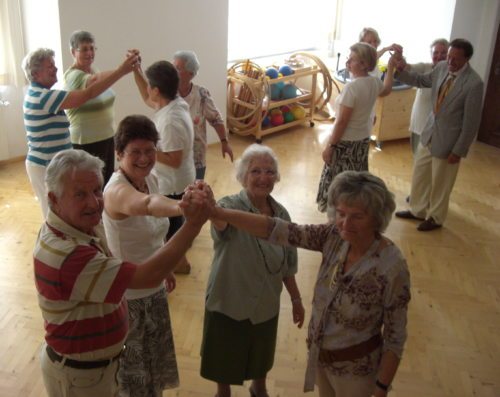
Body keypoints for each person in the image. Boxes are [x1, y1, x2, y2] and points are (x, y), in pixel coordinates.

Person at [205, 170, 411, 397]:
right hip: (321, 360)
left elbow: (395, 336)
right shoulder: (334, 236)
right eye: (341, 213)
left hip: (358, 374)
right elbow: (278, 230)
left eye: (357, 216)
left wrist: (381, 389)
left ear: (377, 217)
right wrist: (217, 212)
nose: (345, 223)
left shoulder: (392, 267)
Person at [34, 148, 209, 397]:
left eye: (96, 190)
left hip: (95, 370)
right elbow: (144, 277)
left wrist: (163, 264)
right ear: (53, 199)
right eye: (80, 194)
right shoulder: (68, 255)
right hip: (81, 379)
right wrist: (193, 224)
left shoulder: (72, 226)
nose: (94, 202)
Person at [200, 144, 305, 397]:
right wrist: (212, 208)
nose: (263, 178)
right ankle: (222, 392)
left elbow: (288, 263)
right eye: (255, 171)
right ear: (243, 176)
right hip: (229, 299)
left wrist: (296, 298)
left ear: (277, 177)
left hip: (265, 301)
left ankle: (259, 388)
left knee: (261, 349)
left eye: (270, 172)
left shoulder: (282, 214)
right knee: (223, 354)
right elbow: (220, 223)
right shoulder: (229, 206)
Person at [102, 115, 183, 396]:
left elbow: (154, 233)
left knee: (153, 368)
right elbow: (147, 205)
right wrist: (185, 207)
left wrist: (166, 267)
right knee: (133, 378)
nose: (144, 158)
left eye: (150, 150)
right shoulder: (114, 191)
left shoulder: (152, 178)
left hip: (155, 288)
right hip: (129, 298)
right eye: (135, 152)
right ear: (119, 153)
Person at [22, 47, 138, 218]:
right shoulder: (43, 97)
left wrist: (122, 70)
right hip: (43, 165)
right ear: (36, 73)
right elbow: (87, 94)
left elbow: (92, 84)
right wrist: (122, 70)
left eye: (54, 65)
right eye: (50, 66)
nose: (55, 69)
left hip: (48, 163)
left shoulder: (42, 94)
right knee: (53, 213)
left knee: (59, 210)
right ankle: (56, 243)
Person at [394, 38, 484, 231]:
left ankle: (435, 217)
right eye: (449, 56)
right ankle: (417, 210)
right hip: (429, 133)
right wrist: (401, 71)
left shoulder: (474, 83)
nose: (450, 62)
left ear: (467, 59)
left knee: (441, 183)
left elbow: (471, 123)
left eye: (456, 59)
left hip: (450, 142)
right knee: (420, 174)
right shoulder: (442, 67)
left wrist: (459, 150)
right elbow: (421, 81)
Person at [132, 57, 195, 273]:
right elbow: (147, 98)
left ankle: (179, 264)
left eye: (149, 86)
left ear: (157, 90)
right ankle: (179, 262)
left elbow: (174, 160)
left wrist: (147, 151)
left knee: (171, 232)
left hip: (174, 184)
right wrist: (136, 71)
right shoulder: (173, 102)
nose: (147, 89)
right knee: (173, 230)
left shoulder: (170, 122)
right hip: (176, 181)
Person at [316, 43, 395, 212]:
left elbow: (342, 122)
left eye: (352, 60)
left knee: (340, 185)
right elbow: (387, 89)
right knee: (356, 183)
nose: (348, 63)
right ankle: (353, 213)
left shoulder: (352, 88)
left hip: (345, 144)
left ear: (364, 64)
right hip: (362, 141)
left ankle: (337, 217)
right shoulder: (374, 82)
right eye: (348, 59)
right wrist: (391, 68)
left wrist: (330, 146)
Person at [64, 30, 120, 184]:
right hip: (87, 141)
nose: (89, 53)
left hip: (106, 136)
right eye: (84, 49)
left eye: (92, 48)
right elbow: (94, 81)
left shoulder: (95, 70)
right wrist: (123, 70)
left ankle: (105, 209)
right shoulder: (73, 76)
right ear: (73, 52)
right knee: (92, 184)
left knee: (107, 181)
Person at [173, 50, 234, 179]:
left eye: (178, 68)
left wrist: (224, 142)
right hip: (173, 156)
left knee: (195, 193)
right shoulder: (167, 94)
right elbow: (148, 96)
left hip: (196, 157)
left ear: (190, 73)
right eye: (173, 67)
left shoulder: (201, 94)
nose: (173, 71)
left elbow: (216, 119)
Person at [399, 39, 450, 154]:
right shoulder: (425, 67)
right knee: (417, 160)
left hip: (437, 128)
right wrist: (400, 58)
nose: (439, 56)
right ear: (431, 54)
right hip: (419, 123)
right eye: (435, 53)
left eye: (443, 53)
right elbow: (407, 68)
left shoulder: (451, 74)